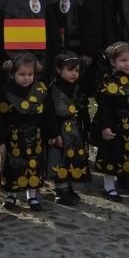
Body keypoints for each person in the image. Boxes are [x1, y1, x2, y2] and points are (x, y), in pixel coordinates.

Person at [93, 42, 129, 202]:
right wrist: (105, 126)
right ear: (113, 62)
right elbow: (104, 107)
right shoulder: (108, 81)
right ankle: (109, 187)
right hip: (116, 126)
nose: (128, 64)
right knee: (111, 155)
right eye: (123, 60)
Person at [0, 53, 47, 211]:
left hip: (35, 136)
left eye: (30, 74)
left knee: (34, 165)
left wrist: (50, 134)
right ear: (12, 74)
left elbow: (47, 114)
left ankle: (32, 196)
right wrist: (0, 138)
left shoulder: (40, 91)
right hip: (13, 137)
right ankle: (11, 194)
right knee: (13, 166)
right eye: (22, 74)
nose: (26, 78)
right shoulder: (5, 92)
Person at [44, 51, 91, 205]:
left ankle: (68, 185)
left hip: (76, 131)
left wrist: (87, 128)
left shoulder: (78, 88)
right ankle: (60, 189)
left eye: (76, 71)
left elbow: (83, 110)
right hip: (60, 129)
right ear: (58, 70)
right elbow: (49, 114)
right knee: (59, 158)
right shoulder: (52, 90)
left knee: (72, 158)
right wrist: (53, 133)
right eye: (70, 70)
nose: (74, 74)